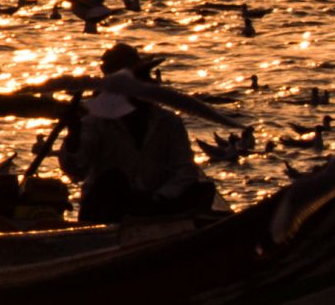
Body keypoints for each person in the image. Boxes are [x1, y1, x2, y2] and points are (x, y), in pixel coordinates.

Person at [59, 43, 217, 222]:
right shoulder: (96, 122)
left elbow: (184, 171)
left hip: (156, 208)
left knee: (202, 190)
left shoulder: (169, 122)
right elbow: (75, 169)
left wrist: (156, 198)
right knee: (113, 180)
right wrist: (73, 133)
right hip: (107, 211)